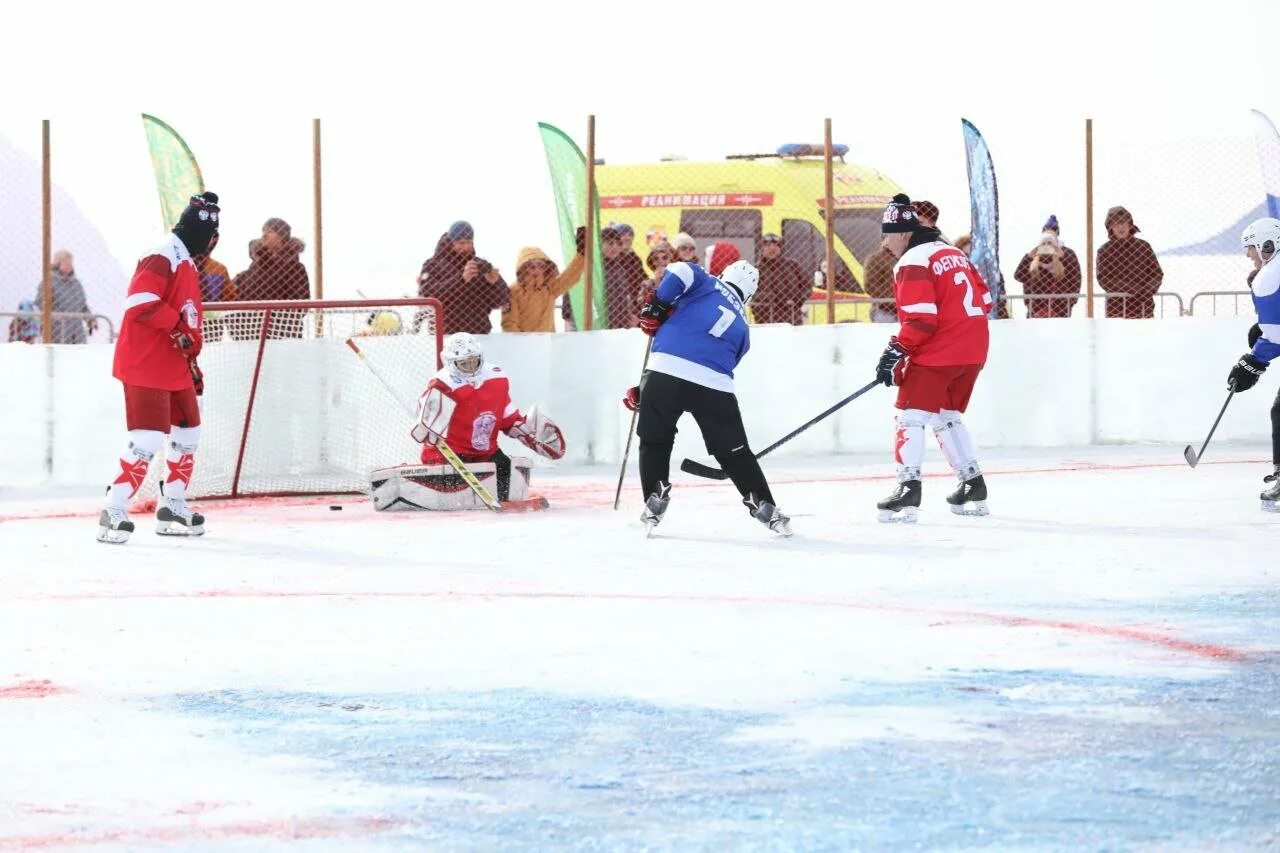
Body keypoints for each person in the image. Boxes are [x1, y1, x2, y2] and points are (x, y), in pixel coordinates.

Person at [623, 258, 792, 536]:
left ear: (723, 274)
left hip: (665, 371)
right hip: (714, 387)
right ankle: (764, 505)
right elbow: (717, 362)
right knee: (735, 453)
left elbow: (680, 270)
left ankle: (655, 497)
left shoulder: (707, 282)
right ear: (749, 296)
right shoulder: (743, 330)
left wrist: (658, 304)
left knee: (655, 439)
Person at [97, 192, 220, 543]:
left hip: (174, 364)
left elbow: (185, 315)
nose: (212, 241)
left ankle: (172, 507)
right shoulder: (162, 252)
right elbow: (140, 302)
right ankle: (113, 510)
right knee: (147, 440)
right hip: (146, 362)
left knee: (187, 433)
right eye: (209, 232)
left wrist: (191, 359)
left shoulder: (187, 262)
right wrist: (180, 331)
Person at [873, 194, 991, 523]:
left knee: (909, 416)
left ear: (901, 233)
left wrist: (895, 351)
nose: (885, 244)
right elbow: (986, 299)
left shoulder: (912, 261)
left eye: (886, 235)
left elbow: (922, 319)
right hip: (974, 348)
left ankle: (907, 486)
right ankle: (972, 483)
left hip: (941, 351)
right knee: (945, 415)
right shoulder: (954, 253)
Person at [410, 332, 565, 502]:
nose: (470, 366)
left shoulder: (496, 377)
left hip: (485, 451)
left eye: (473, 360)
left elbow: (507, 417)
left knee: (507, 471)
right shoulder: (442, 384)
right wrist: (425, 423)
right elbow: (424, 414)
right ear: (450, 363)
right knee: (456, 491)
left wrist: (526, 432)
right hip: (449, 453)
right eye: (464, 363)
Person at [1227, 218, 1280, 512]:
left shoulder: (1267, 277)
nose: (1248, 255)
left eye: (1251, 248)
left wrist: (1253, 361)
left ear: (1266, 245)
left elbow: (1277, 333)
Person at [416, 220, 510, 335]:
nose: (466, 247)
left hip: (479, 335)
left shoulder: (480, 265)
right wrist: (461, 280)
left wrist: (495, 283)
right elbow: (427, 295)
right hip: (445, 335)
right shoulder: (432, 265)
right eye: (461, 242)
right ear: (451, 243)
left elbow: (501, 302)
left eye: (469, 242)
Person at [229, 218, 310, 339]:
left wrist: (283, 326)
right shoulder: (256, 266)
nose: (264, 235)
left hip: (281, 334)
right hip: (251, 332)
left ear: (282, 237)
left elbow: (302, 303)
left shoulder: (295, 267)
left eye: (270, 231)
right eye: (263, 231)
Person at [501, 229, 586, 333]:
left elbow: (570, 275)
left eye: (540, 266)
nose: (536, 270)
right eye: (531, 267)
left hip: (546, 343)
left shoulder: (549, 288)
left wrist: (581, 253)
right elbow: (509, 323)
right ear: (523, 268)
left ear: (546, 268)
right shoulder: (513, 291)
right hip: (523, 344)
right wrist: (519, 344)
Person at [1096, 206, 1163, 319]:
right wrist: (1132, 289)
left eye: (1123, 222)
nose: (1120, 227)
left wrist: (1147, 290)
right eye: (1116, 223)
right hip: (1116, 309)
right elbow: (1104, 279)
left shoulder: (1144, 247)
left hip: (1143, 307)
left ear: (1130, 224)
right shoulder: (1104, 251)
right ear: (1110, 227)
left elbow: (1157, 274)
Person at [1014, 217, 1082, 318]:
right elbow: (1019, 276)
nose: (1046, 246)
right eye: (1043, 244)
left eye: (1050, 243)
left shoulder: (1067, 254)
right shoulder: (1034, 260)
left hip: (1060, 310)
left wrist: (1062, 258)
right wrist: (1028, 257)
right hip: (1035, 311)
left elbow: (1075, 279)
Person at [34, 250, 94, 343]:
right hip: (57, 329)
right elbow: (40, 303)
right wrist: (55, 317)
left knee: (80, 355)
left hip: (77, 330)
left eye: (70, 262)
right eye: (66, 262)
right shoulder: (48, 281)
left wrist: (90, 319)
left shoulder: (76, 284)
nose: (69, 265)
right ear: (58, 263)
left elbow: (83, 305)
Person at [750, 233, 809, 325]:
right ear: (762, 248)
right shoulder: (754, 270)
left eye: (776, 245)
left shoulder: (793, 266)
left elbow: (807, 286)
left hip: (791, 319)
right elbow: (749, 295)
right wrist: (769, 298)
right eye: (768, 245)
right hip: (765, 320)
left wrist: (797, 300)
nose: (772, 248)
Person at [601, 225, 648, 329]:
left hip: (621, 320)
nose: (615, 247)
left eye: (618, 244)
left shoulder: (621, 268)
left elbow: (626, 295)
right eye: (610, 243)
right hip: (603, 320)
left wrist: (632, 314)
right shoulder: (597, 269)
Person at [193, 231, 234, 342]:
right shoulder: (180, 266)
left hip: (212, 325)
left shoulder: (220, 269)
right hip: (189, 321)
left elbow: (230, 298)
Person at [862, 237, 898, 323]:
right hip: (884, 309)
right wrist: (891, 301)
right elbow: (870, 286)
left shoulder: (905, 257)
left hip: (903, 307)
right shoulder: (875, 259)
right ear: (884, 240)